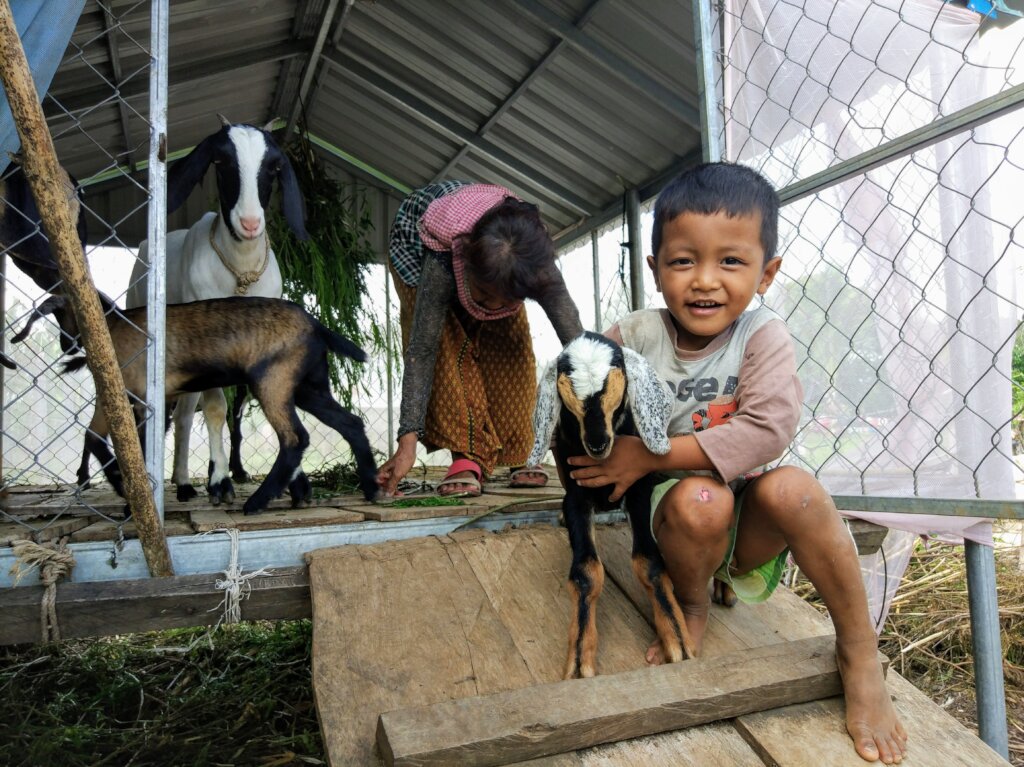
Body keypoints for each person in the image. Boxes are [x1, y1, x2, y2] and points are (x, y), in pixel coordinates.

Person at [566, 163, 908, 764]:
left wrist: (646, 453)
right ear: (654, 269)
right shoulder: (636, 335)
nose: (704, 281)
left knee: (798, 491)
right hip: (680, 526)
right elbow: (584, 380)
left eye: (730, 261)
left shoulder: (762, 335)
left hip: (749, 526)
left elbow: (767, 428)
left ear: (766, 272)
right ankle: (691, 602)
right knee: (703, 500)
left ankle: (859, 650)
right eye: (682, 261)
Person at [377, 181, 583, 498]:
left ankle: (523, 450)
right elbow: (422, 350)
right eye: (485, 295)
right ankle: (466, 456)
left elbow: (584, 351)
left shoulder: (535, 268)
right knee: (447, 344)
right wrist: (407, 445)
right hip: (417, 244)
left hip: (500, 266)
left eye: (505, 300)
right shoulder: (445, 258)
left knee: (512, 346)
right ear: (467, 266)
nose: (491, 308)